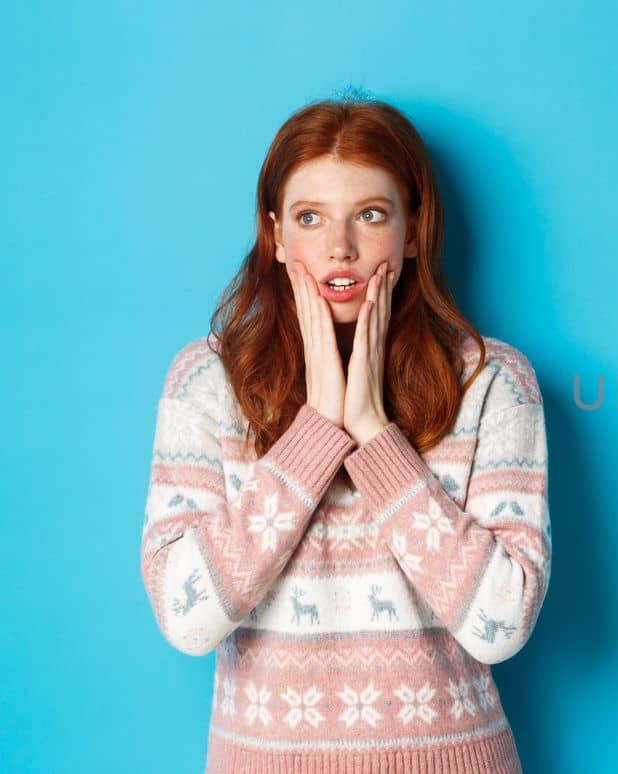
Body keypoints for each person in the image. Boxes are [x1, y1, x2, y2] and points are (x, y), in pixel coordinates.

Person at [138, 91, 551, 773]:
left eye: (369, 214)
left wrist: (373, 433)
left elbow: (499, 626)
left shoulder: (492, 382)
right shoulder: (205, 382)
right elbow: (188, 622)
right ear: (274, 233)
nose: (340, 247)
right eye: (310, 217)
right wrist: (315, 432)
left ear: (413, 230)